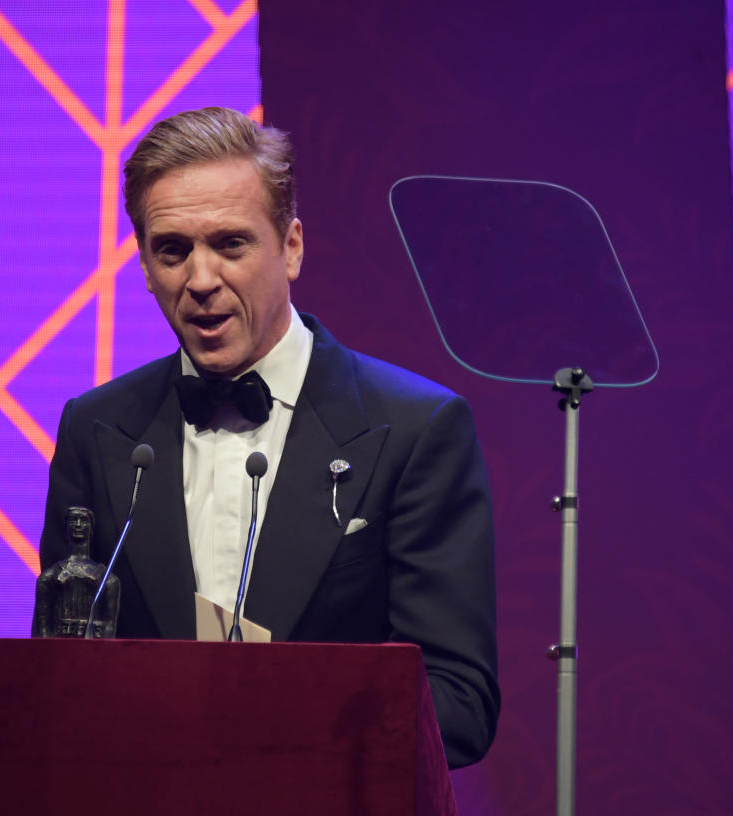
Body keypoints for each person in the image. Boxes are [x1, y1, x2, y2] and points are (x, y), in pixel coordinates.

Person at [37, 107, 498, 768]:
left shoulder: (416, 429)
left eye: (230, 244)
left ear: (292, 247)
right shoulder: (96, 428)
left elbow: (458, 702)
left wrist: (264, 732)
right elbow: (57, 679)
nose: (199, 280)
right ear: (142, 263)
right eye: (172, 250)